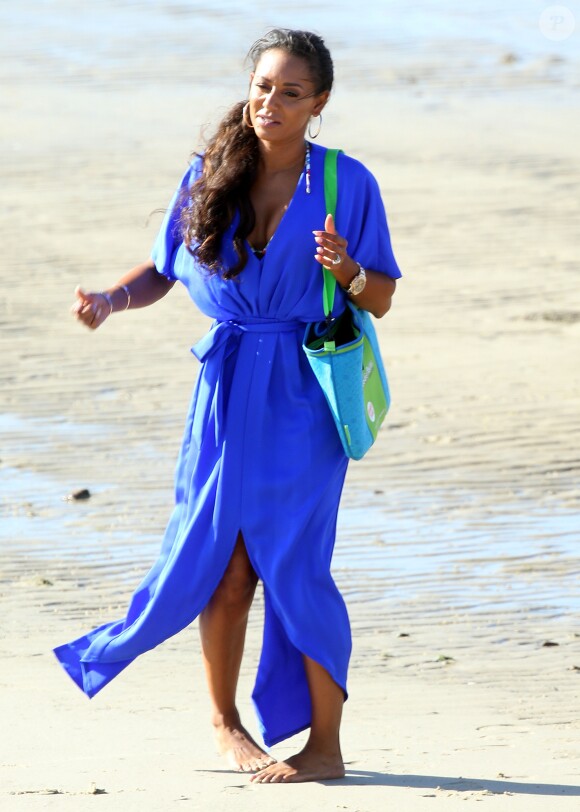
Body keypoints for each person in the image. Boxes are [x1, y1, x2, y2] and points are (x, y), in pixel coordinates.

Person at [54, 28, 401, 784]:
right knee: (223, 560)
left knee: (297, 563)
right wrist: (112, 300)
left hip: (305, 398)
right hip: (223, 390)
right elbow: (163, 267)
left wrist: (346, 271)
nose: (269, 103)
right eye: (263, 86)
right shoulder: (211, 173)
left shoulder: (346, 184)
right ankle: (223, 724)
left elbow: (383, 294)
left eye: (290, 92)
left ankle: (325, 747)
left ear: (320, 104)